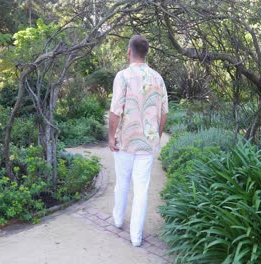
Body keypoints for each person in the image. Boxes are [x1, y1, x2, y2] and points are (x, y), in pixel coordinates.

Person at [108, 35, 168, 247]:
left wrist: (110, 136)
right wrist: (156, 137)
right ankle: (136, 237)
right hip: (147, 144)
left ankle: (117, 220)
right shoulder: (158, 78)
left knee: (122, 182)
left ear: (129, 51)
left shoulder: (122, 76)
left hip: (125, 141)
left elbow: (116, 111)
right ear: (146, 53)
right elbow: (164, 113)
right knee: (141, 189)